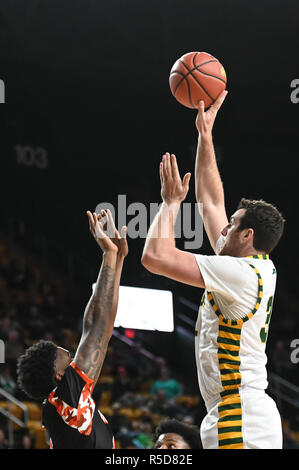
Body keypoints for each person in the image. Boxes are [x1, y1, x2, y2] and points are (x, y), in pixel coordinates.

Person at [142, 91, 285, 449]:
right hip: (244, 409)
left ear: (248, 235)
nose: (223, 228)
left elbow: (155, 257)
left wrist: (170, 203)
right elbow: (209, 201)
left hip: (238, 413)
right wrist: (205, 137)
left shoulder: (239, 275)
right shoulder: (251, 265)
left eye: (232, 225)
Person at [17, 209, 128, 449]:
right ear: (58, 374)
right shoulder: (68, 398)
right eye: (62, 354)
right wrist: (109, 254)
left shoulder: (64, 403)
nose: (69, 352)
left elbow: (99, 324)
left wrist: (116, 260)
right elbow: (97, 327)